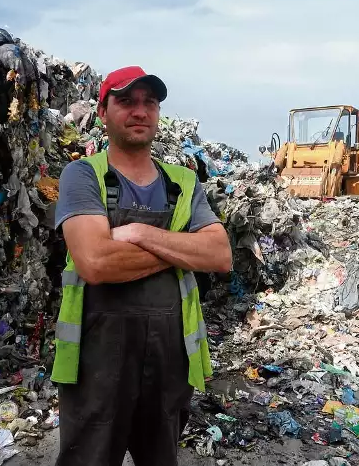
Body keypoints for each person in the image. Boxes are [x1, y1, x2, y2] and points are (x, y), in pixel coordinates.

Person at [51, 65, 232, 466]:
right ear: (102, 112)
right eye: (126, 101)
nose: (140, 111)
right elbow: (96, 262)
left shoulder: (184, 181)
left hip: (170, 357)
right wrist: (182, 249)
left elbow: (219, 256)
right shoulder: (83, 175)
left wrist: (140, 234)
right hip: (96, 358)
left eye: (150, 102)